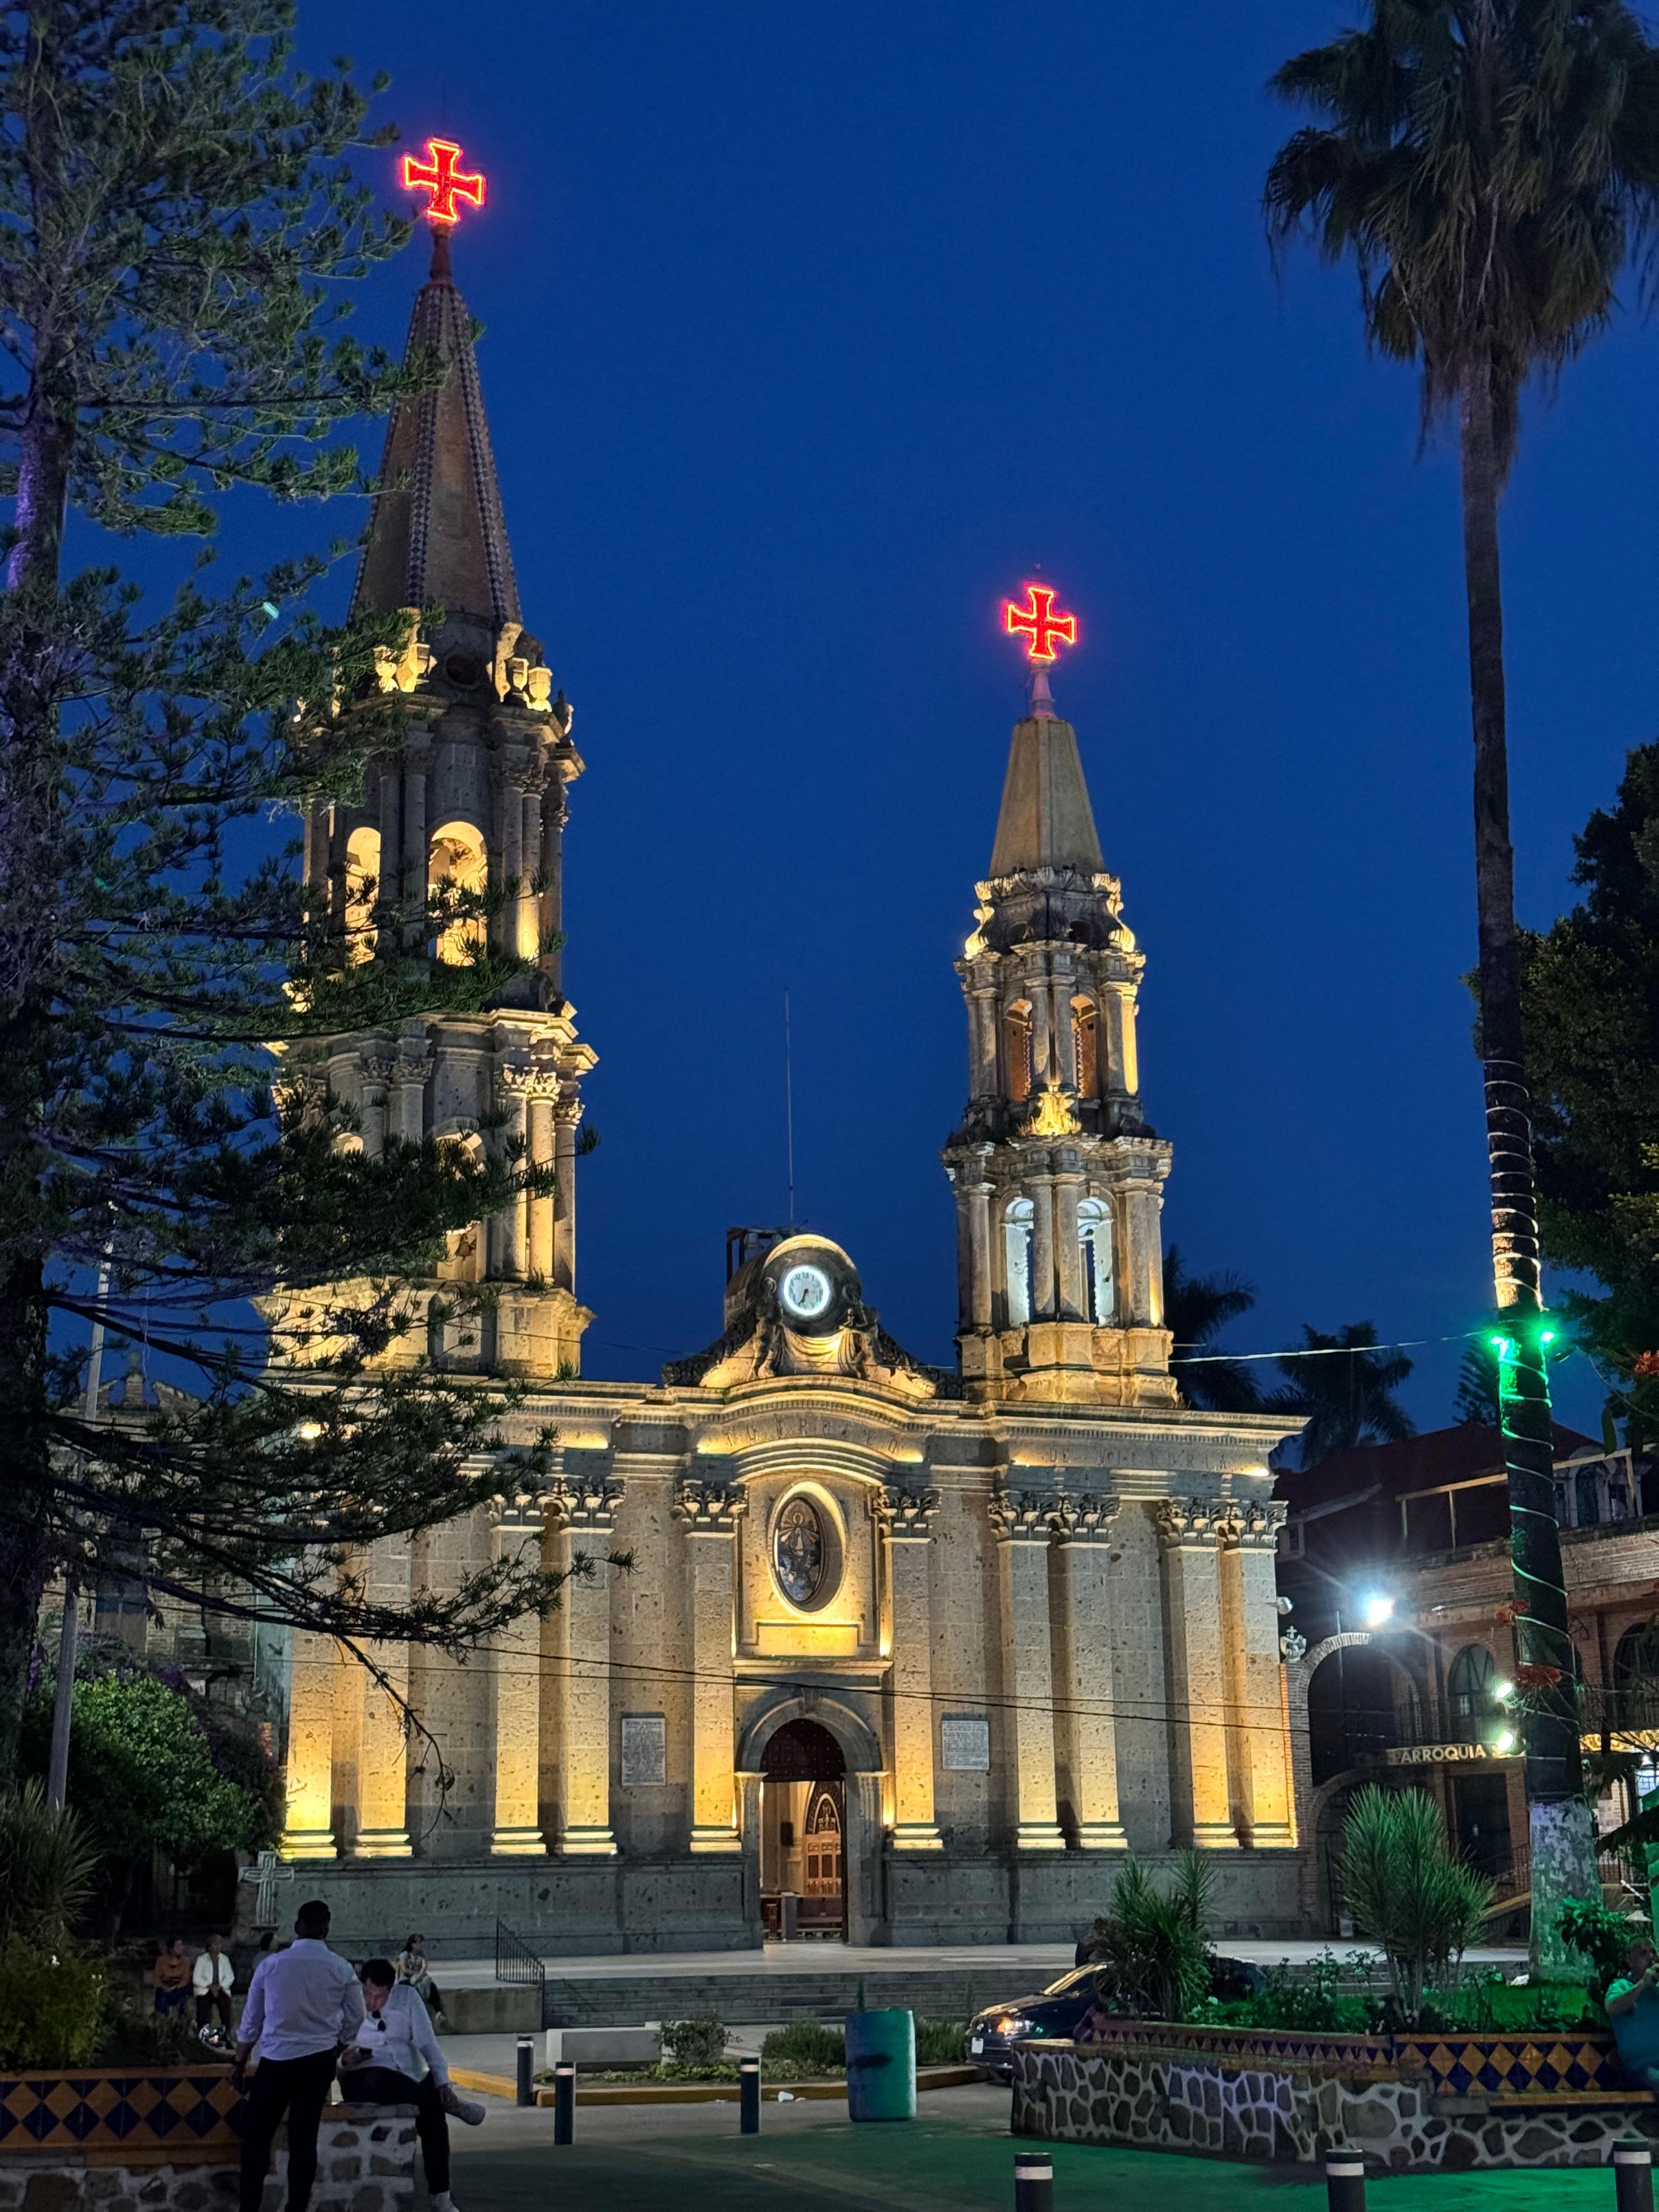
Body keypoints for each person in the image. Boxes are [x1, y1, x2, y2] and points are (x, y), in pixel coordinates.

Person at [235, 1900, 365, 2212]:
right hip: (318, 2061)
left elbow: (251, 2019)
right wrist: (339, 2043)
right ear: (327, 1929)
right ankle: (297, 2207)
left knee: (256, 2137)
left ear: (298, 1927)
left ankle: (250, 2206)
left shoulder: (272, 1965)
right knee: (304, 2140)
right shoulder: (341, 1967)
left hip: (276, 2061)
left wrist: (239, 2061)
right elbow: (357, 2015)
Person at [339, 1960, 484, 2212]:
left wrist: (442, 2083)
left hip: (408, 2075)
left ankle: (441, 2195)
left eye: (380, 1996)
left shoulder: (407, 1998)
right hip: (363, 2075)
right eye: (369, 1994)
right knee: (384, 2081)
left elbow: (428, 2045)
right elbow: (333, 2049)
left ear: (391, 1989)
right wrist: (345, 2060)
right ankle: (450, 2105)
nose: (373, 2002)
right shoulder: (348, 2001)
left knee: (435, 2123)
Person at [1608, 1936, 1659, 2085]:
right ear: (1630, 1960)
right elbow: (1612, 2008)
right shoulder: (1622, 1986)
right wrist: (1643, 1984)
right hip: (1641, 2067)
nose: (1651, 1957)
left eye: (1653, 1952)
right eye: (1644, 1953)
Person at [395, 1934, 445, 2028]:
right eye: (419, 1943)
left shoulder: (422, 1955)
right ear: (413, 1945)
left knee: (431, 1987)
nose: (422, 1945)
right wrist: (416, 1974)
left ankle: (439, 2012)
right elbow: (405, 1970)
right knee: (412, 1989)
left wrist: (421, 1974)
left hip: (419, 1978)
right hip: (406, 1979)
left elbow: (424, 1967)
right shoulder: (405, 1955)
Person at [194, 1933, 235, 2044]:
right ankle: (202, 2035)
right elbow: (196, 1978)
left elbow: (230, 1976)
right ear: (209, 1946)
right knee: (203, 2008)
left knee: (226, 2006)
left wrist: (220, 1987)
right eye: (216, 1944)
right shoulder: (202, 1959)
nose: (218, 1946)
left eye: (220, 1944)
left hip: (221, 1989)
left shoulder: (224, 1959)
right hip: (206, 1989)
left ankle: (226, 2034)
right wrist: (210, 1986)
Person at [153, 1937, 191, 2016]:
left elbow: (186, 1979)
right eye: (178, 1946)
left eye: (181, 1946)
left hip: (179, 1987)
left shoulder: (185, 1961)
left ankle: (183, 2020)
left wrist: (175, 1987)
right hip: (165, 1986)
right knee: (161, 1999)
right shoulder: (161, 1960)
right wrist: (164, 1987)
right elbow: (157, 1977)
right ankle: (162, 2020)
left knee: (182, 1998)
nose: (181, 1948)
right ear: (171, 1949)